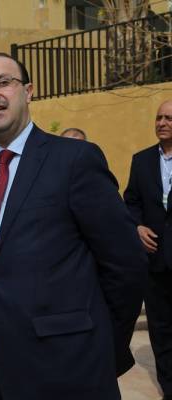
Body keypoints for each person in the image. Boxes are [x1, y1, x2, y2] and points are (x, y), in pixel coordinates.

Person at [0, 52, 147, 400]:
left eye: (3, 83)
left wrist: (102, 345)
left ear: (28, 91)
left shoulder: (75, 160)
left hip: (68, 367)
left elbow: (126, 264)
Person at [124, 100, 172, 400]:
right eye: (159, 118)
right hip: (154, 261)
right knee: (161, 329)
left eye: (169, 118)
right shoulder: (141, 160)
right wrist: (137, 227)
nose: (162, 123)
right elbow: (131, 201)